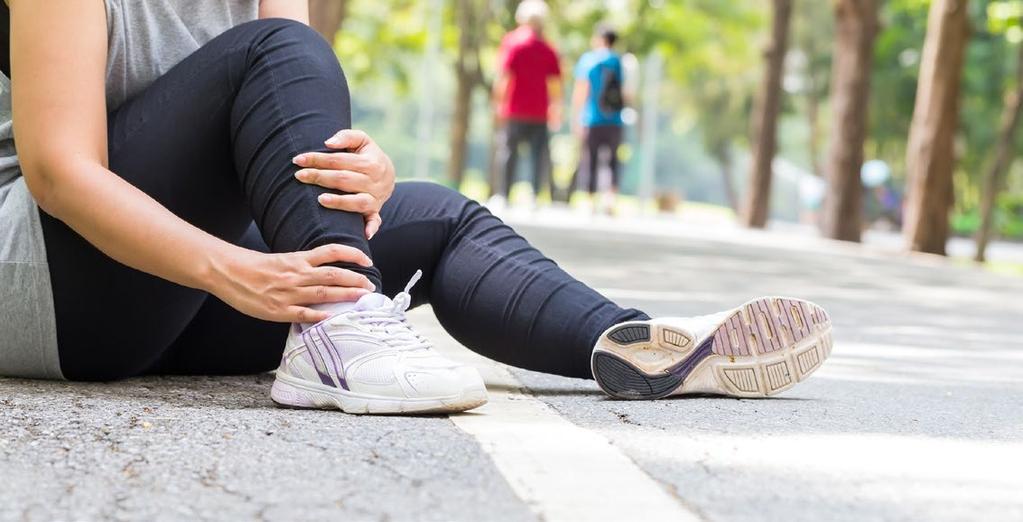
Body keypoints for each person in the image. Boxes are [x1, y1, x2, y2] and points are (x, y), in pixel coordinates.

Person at [0, 0, 834, 415]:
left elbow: (286, 133)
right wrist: (236, 269)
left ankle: (638, 346)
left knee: (437, 216)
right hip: (50, 281)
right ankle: (339, 335)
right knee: (278, 47)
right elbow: (59, 172)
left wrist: (364, 169)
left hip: (164, 294)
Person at [489, 0, 562, 211]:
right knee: (538, 154)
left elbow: (504, 77)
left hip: (514, 109)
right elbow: (555, 84)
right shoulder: (549, 48)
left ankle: (503, 194)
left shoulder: (512, 43)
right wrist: (555, 108)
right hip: (540, 110)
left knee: (508, 152)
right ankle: (535, 194)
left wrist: (497, 104)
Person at [572, 25, 626, 214]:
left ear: (599, 38)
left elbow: (582, 89)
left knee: (591, 159)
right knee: (612, 160)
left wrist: (577, 116)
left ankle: (590, 200)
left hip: (592, 117)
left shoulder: (589, 59)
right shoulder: (618, 61)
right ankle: (610, 199)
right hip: (615, 119)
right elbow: (626, 92)